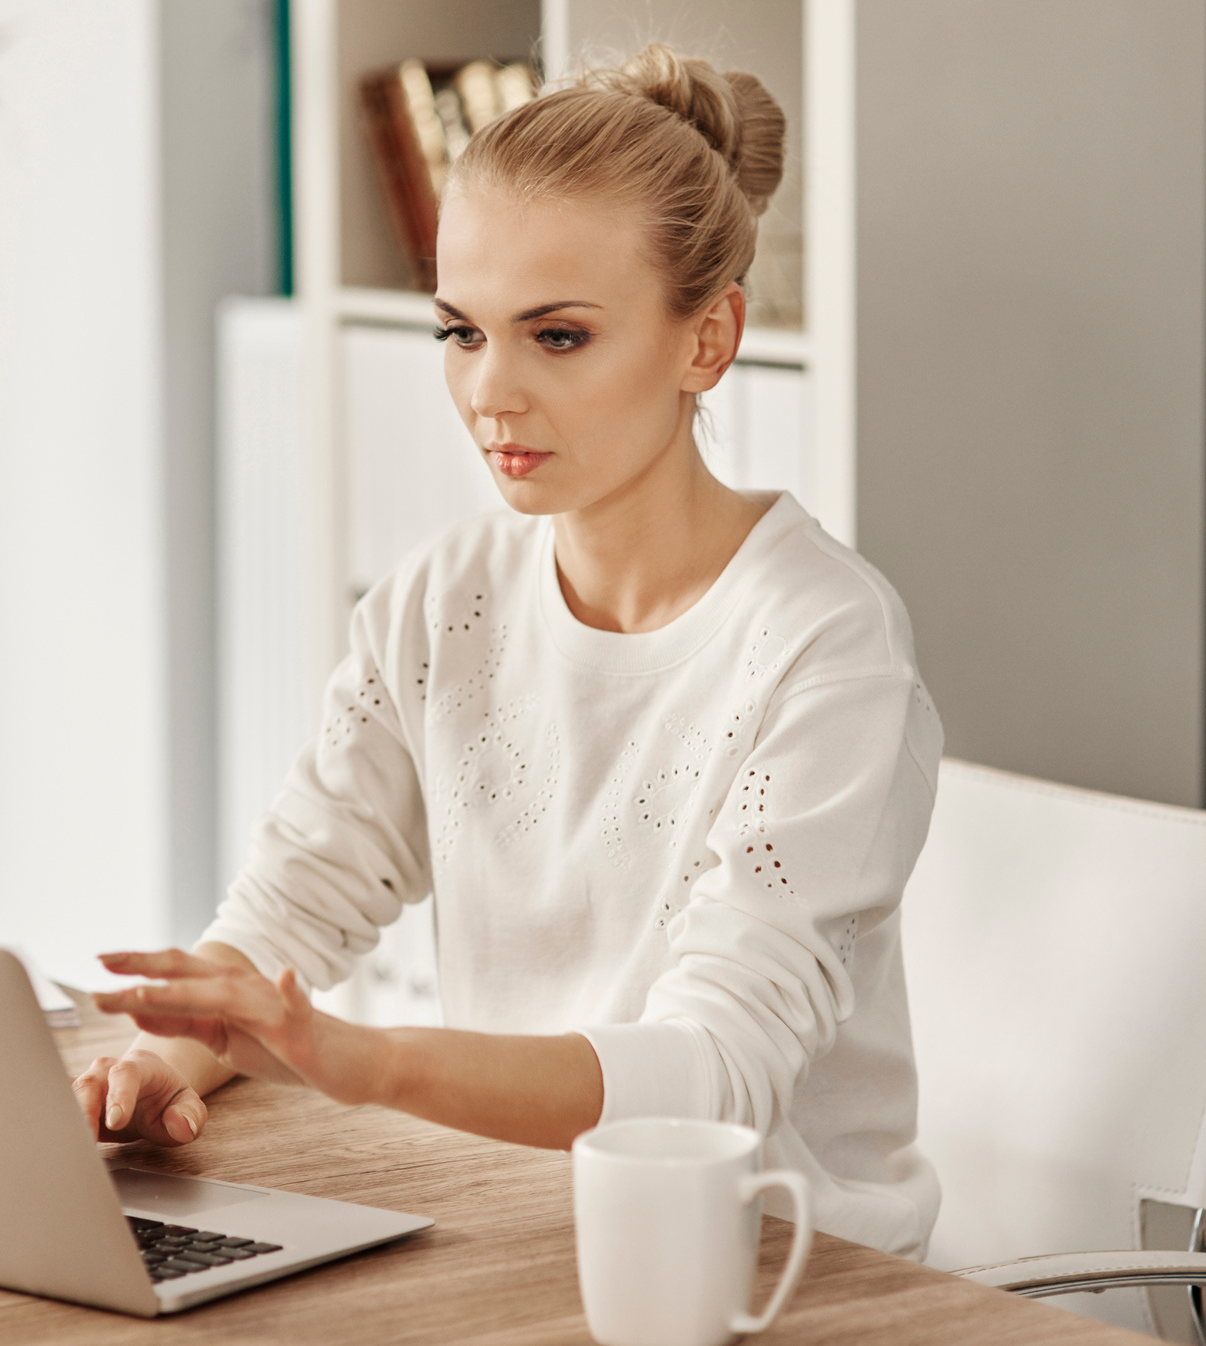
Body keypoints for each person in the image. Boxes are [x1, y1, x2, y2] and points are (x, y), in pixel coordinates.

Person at [75, 44, 943, 1259]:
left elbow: (712, 1078)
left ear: (708, 340)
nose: (490, 391)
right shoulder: (444, 603)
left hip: (772, 1277)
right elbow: (292, 907)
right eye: (460, 331)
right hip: (526, 1242)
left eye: (558, 336)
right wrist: (157, 1063)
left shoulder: (827, 649)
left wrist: (365, 1062)